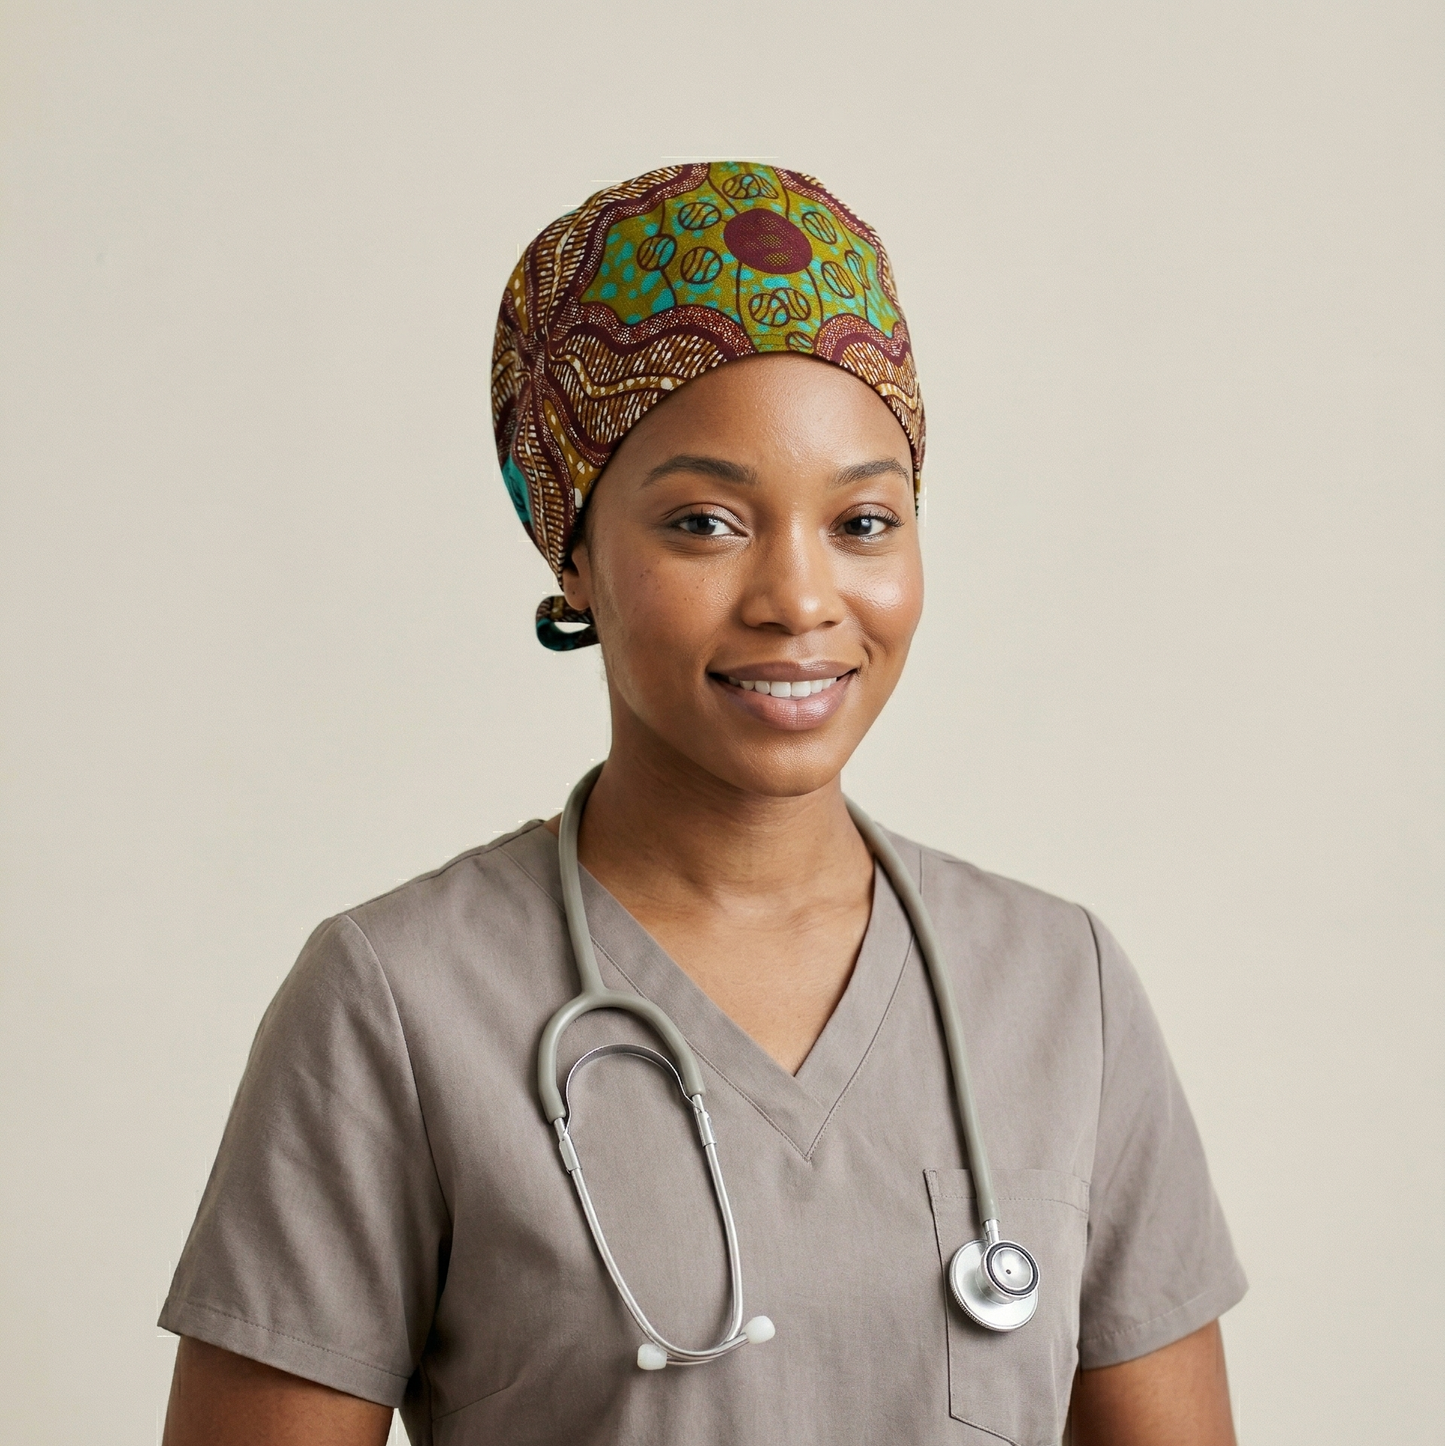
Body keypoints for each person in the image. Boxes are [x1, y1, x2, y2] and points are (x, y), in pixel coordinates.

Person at [160, 162, 1246, 1446]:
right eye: (704, 521)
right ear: (570, 546)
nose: (798, 596)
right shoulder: (396, 1004)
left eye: (861, 518)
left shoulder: (1062, 991)